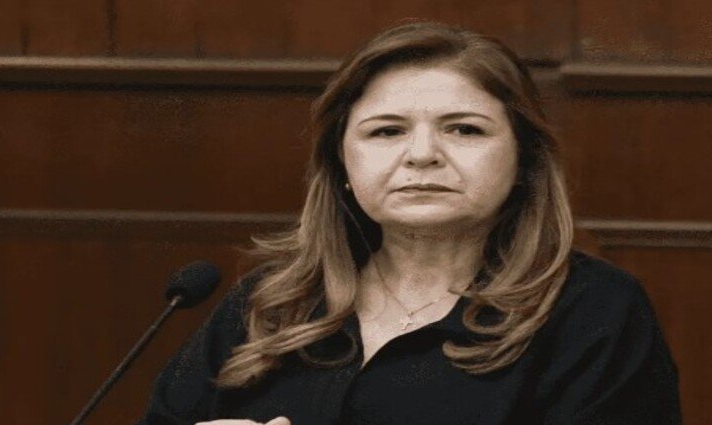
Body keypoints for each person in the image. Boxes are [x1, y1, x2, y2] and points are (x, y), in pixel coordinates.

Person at [138, 20, 681, 425]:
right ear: (341, 164)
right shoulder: (270, 304)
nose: (422, 155)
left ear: (524, 161)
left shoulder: (594, 313)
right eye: (386, 131)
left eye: (464, 130)